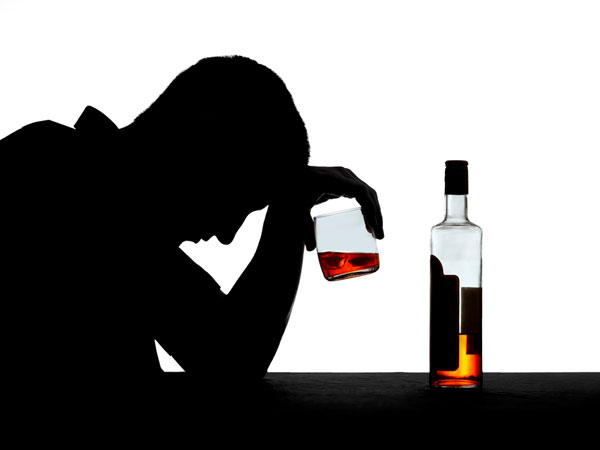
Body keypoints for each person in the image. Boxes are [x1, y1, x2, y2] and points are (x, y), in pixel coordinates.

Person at [1, 55, 384, 386]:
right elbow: (232, 360)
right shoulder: (69, 181)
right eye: (239, 200)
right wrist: (287, 209)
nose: (227, 234)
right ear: (204, 145)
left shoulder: (82, 182)